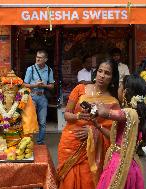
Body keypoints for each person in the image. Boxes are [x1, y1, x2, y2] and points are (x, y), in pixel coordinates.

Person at [57, 59, 120, 189]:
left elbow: (113, 135)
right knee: (68, 178)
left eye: (107, 73)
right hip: (71, 142)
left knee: (87, 180)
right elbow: (67, 114)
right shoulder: (80, 89)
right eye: (100, 71)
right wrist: (78, 115)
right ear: (95, 72)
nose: (102, 75)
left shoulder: (114, 102)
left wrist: (93, 131)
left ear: (112, 78)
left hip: (93, 149)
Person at [95, 74, 146, 189]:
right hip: (126, 163)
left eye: (120, 87)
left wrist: (101, 109)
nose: (118, 89)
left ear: (125, 91)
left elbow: (111, 113)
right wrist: (99, 126)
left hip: (120, 166)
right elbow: (117, 141)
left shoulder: (130, 113)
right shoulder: (136, 113)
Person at [24, 50, 55, 145]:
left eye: (40, 57)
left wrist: (44, 86)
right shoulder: (31, 69)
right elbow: (24, 84)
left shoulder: (49, 70)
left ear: (45, 59)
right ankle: (28, 142)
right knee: (31, 119)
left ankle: (40, 141)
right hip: (32, 96)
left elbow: (52, 86)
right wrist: (35, 85)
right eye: (37, 57)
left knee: (42, 122)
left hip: (42, 97)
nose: (38, 59)